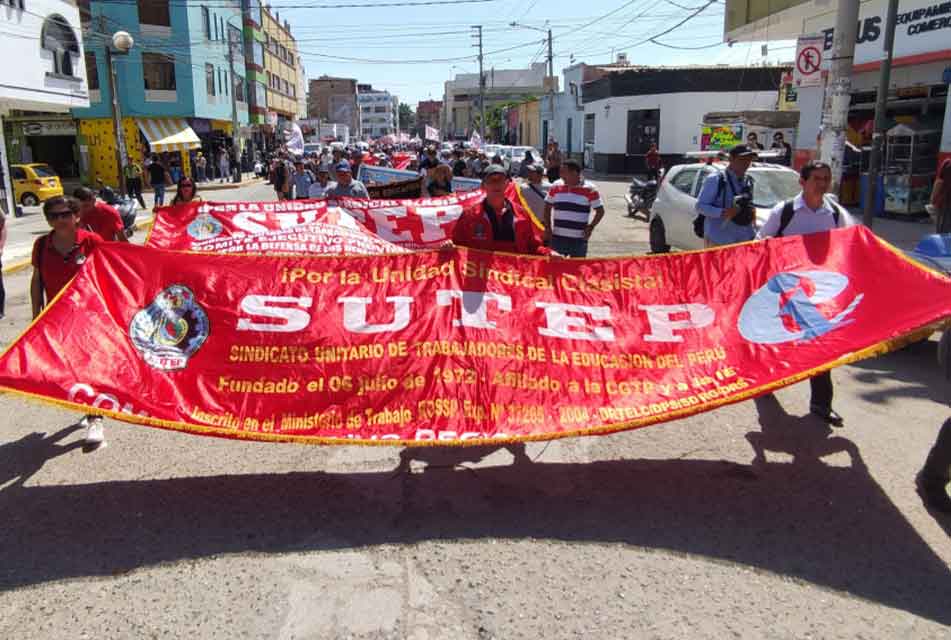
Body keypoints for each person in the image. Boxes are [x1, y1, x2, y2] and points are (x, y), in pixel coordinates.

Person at [756, 160, 854, 426]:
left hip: (819, 293)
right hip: (784, 291)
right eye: (816, 179)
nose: (822, 184)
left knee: (821, 346)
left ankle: (821, 405)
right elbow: (760, 245)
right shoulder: (784, 212)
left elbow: (847, 246)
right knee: (777, 341)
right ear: (803, 182)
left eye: (826, 179)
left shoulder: (834, 214)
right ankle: (764, 385)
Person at [30, 196, 106, 446]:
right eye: (53, 216)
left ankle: (96, 418)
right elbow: (37, 279)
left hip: (89, 316)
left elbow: (109, 274)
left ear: (76, 216)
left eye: (64, 214)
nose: (59, 220)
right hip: (57, 317)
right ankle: (87, 405)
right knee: (70, 367)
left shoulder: (92, 242)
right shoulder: (42, 245)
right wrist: (36, 313)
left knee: (88, 367)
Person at [452, 164, 556, 256]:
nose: (496, 184)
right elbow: (457, 245)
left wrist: (549, 253)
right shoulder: (469, 215)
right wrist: (448, 248)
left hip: (513, 275)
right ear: (483, 185)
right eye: (492, 180)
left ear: (507, 184)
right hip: (480, 275)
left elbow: (533, 247)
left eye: (500, 180)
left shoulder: (522, 214)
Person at [694, 144, 758, 247]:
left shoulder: (748, 181)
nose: (746, 163)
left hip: (744, 240)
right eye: (742, 159)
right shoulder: (716, 179)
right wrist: (723, 213)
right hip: (719, 241)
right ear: (731, 159)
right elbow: (700, 206)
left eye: (749, 160)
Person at [543, 159, 605, 258]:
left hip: (579, 240)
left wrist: (591, 227)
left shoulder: (590, 189)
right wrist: (548, 227)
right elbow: (547, 207)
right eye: (560, 172)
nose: (561, 175)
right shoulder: (556, 185)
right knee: (556, 267)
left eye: (564, 172)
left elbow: (600, 211)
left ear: (575, 173)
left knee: (577, 268)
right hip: (557, 238)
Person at [930, 159, 951, 234]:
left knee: (942, 231)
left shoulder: (947, 163)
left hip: (945, 204)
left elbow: (939, 183)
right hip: (945, 203)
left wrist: (932, 199)